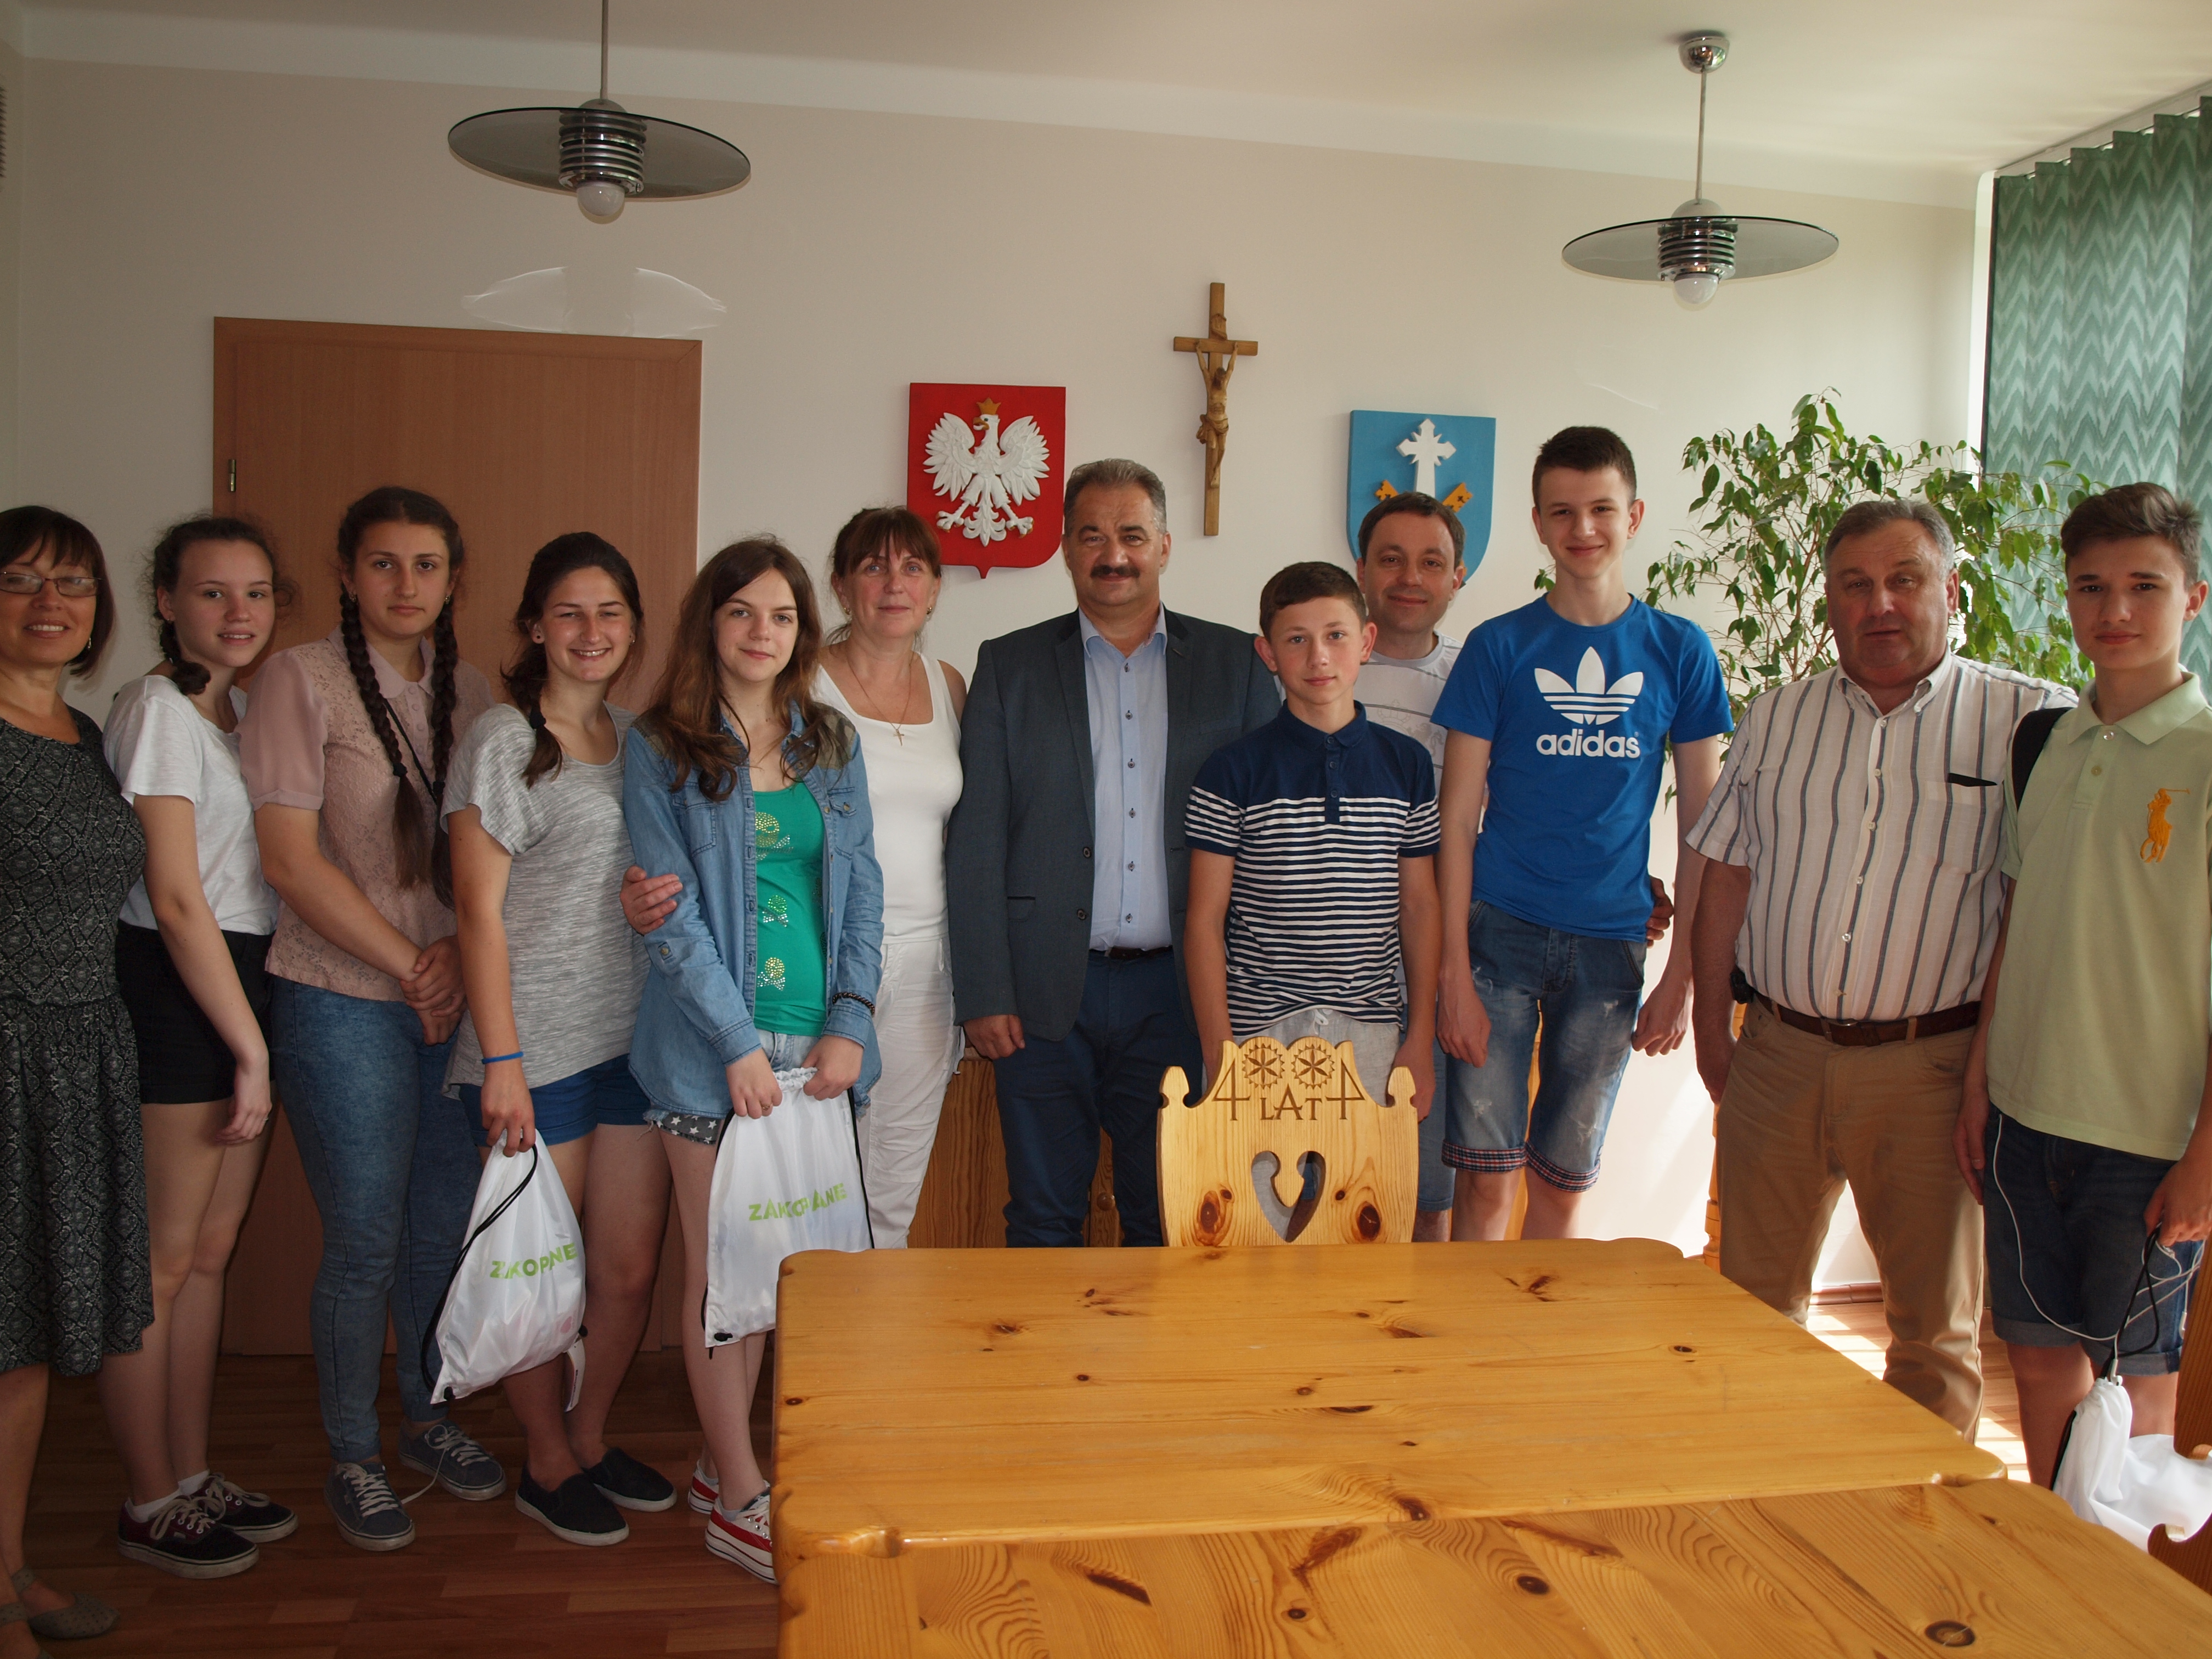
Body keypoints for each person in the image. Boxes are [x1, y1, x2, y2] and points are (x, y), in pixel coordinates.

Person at [1689, 498, 2070, 1438]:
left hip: (1933, 1071)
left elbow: (2043, 913)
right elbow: (1728, 872)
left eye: (1904, 580)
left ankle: (1919, 1519)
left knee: (1933, 1337)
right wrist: (1710, 1026)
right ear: (1829, 600)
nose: (1880, 604)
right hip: (1778, 1053)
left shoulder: (2029, 721)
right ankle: (1760, 1498)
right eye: (1855, 585)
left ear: (1951, 589)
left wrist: (1993, 1073)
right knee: (1749, 1314)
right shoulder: (1778, 716)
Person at [240, 486, 498, 1552]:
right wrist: (410, 965)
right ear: (347, 574)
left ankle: (427, 1417)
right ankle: (354, 1448)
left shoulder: (472, 690)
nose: (406, 584)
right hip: (341, 998)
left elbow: (490, 857)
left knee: (439, 1225)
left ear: (452, 580)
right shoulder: (296, 679)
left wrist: (455, 962)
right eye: (383, 563)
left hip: (453, 1000)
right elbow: (290, 861)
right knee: (362, 1237)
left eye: (426, 565)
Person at [621, 537, 883, 1581]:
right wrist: (735, 1045)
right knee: (722, 1274)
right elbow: (671, 915)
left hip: (816, 1050)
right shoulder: (661, 746)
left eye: (780, 615)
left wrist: (850, 1020)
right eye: (741, 612)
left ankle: (717, 1459)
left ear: (802, 631)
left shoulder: (830, 740)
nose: (761, 632)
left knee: (777, 1269)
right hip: (707, 1053)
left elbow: (862, 889)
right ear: (710, 623)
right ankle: (740, 1497)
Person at [946, 459, 1279, 1248]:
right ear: (1065, 548)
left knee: (1168, 1217)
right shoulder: (1010, 666)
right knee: (1041, 1219)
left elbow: (1267, 841)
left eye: (1132, 534)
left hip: (1179, 992)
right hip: (1038, 997)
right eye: (1092, 536)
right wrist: (984, 990)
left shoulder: (1237, 665)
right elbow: (978, 835)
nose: (1114, 554)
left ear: (1164, 545)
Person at [1957, 483, 2211, 1485]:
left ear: (2193, 598)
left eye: (2144, 586)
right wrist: (1978, 1083)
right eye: (2090, 587)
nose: (2115, 610)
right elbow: (2016, 926)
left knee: (2135, 1389)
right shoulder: (2045, 742)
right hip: (2022, 1117)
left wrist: (2205, 1156)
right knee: (2036, 1360)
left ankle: (2121, 1581)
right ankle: (2057, 1563)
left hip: (2147, 1137)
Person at [1434, 427, 1729, 1242]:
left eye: (1601, 508)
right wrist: (1453, 974)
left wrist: (1682, 978)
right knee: (1485, 1186)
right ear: (1538, 523)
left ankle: (1538, 1328)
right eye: (1562, 512)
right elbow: (1457, 818)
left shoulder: (1680, 650)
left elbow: (1704, 828)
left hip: (1611, 947)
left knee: (1562, 1188)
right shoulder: (1499, 647)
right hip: (1498, 937)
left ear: (1634, 516)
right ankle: (1479, 1329)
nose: (1583, 528)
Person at [444, 533, 674, 1547]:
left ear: (633, 628)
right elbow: (476, 912)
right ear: (535, 625)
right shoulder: (504, 739)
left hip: (633, 1043)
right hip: (532, 1050)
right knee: (543, 1272)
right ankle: (543, 1459)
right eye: (570, 612)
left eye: (610, 612)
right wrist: (502, 1061)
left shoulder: (638, 738)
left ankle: (588, 1435)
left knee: (624, 1271)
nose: (591, 631)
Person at [99, 516, 295, 1577]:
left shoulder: (242, 714)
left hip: (242, 976)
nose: (237, 612)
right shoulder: (158, 711)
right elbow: (176, 897)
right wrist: (249, 1049)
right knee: (161, 1263)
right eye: (213, 592)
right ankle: (147, 1495)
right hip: (181, 987)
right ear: (166, 601)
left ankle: (191, 1470)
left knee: (211, 1254)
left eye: (256, 592)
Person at [0, 507, 135, 1650]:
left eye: (75, 584)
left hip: (80, 1051)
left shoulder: (84, 733)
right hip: (6, 1047)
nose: (52, 603)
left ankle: (7, 1566)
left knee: (28, 1332)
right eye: (21, 581)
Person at [1185, 562, 1440, 1137]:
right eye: (1296, 640)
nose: (1319, 657)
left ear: (1366, 642)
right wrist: (1219, 1052)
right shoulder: (1231, 771)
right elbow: (1204, 919)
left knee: (1363, 1193)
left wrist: (1420, 1036)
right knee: (1252, 1195)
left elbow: (1420, 905)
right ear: (1268, 654)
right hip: (1257, 1034)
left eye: (1336, 635)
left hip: (1371, 1033)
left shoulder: (1408, 765)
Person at [813, 507, 967, 1249]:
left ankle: (869, 1326)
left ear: (934, 589)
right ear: (842, 586)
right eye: (873, 566)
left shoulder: (951, 685)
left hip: (929, 967)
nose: (894, 584)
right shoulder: (799, 683)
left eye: (912, 568)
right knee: (813, 1184)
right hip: (825, 963)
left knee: (892, 1201)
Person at [1352, 493, 1467, 1240]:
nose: (1409, 578)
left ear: (1458, 577)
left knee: (1426, 1190)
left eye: (1431, 562)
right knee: (1323, 1181)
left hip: (1432, 969)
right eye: (1391, 559)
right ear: (1361, 568)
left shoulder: (1475, 679)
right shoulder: (1316, 664)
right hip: (1325, 974)